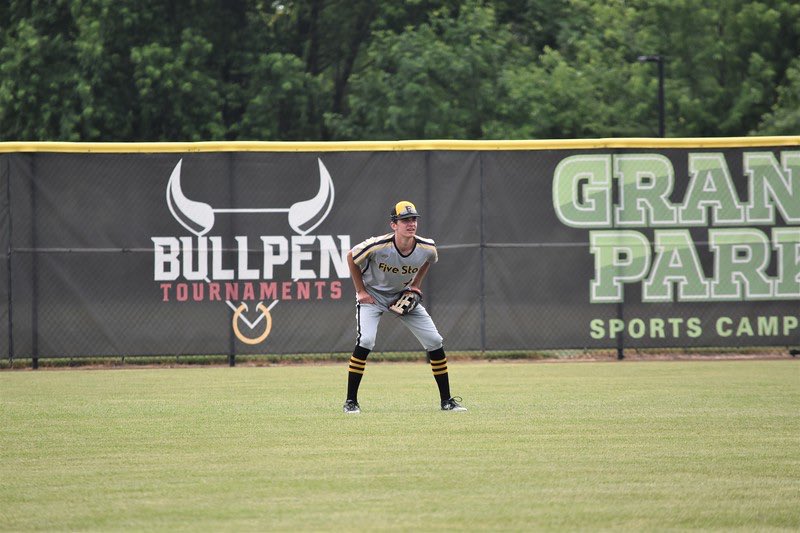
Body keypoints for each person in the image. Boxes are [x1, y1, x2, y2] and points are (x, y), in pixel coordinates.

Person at [342, 200, 466, 414]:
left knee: (434, 341)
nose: (411, 224)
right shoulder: (378, 245)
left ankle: (446, 401)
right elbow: (351, 257)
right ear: (394, 224)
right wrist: (361, 291)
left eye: (414, 219)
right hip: (372, 295)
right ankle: (350, 401)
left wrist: (415, 286)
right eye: (405, 220)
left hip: (402, 295)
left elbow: (429, 259)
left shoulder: (426, 247)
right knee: (366, 340)